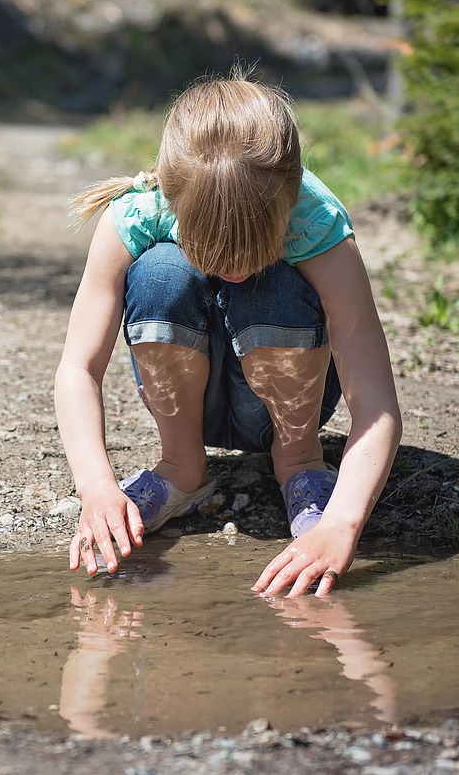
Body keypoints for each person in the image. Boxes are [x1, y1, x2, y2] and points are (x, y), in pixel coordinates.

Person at [54, 71, 401, 598]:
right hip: (193, 402)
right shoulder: (139, 214)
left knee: (276, 285)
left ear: (287, 205)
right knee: (163, 273)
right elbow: (78, 367)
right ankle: (182, 466)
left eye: (251, 251)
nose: (233, 271)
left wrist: (342, 524)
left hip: (286, 409)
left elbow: (375, 401)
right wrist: (98, 487)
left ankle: (300, 464)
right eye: (213, 254)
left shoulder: (317, 225)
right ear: (172, 201)